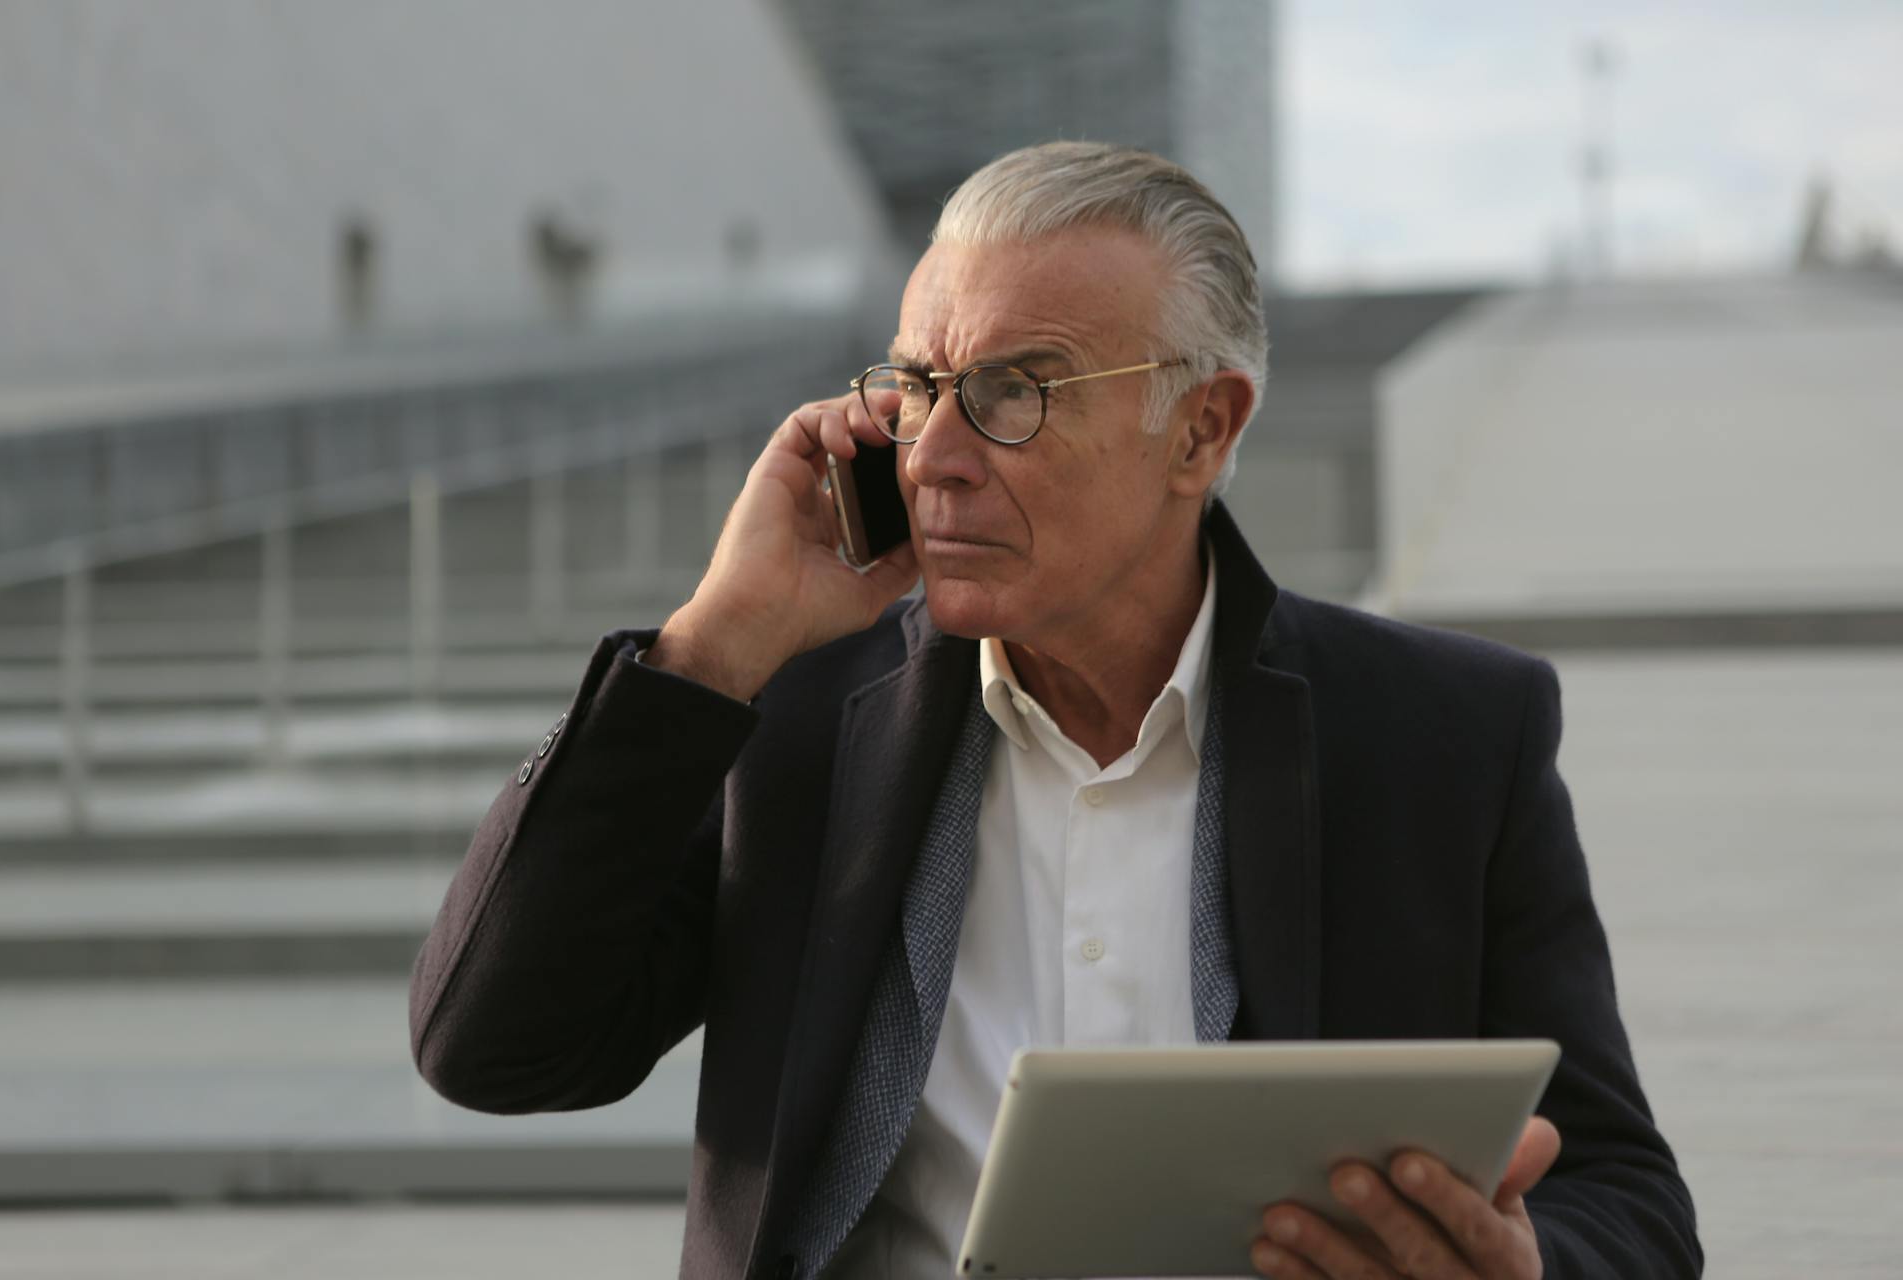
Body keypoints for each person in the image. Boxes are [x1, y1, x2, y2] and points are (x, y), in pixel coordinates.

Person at [408, 142, 1701, 1280]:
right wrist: (709, 648)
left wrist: (1521, 1270)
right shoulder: (795, 714)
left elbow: (1629, 1205)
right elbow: (493, 1048)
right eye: (917, 386)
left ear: (1201, 429)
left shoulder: (1445, 737)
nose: (933, 453)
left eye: (1015, 391)